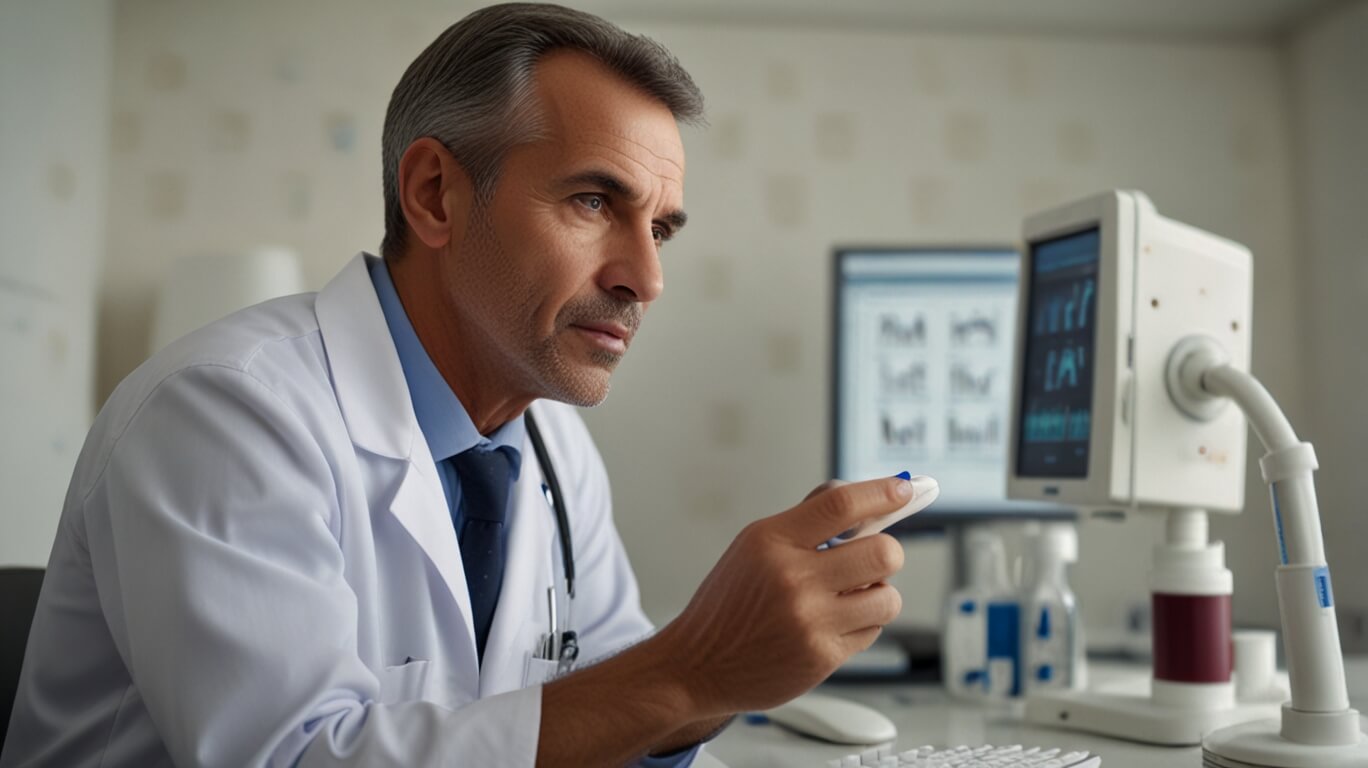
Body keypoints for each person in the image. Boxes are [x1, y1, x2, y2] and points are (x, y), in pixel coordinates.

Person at [0, 4, 910, 766]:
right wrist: (697, 670)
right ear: (435, 194)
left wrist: (734, 675)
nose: (646, 277)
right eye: (594, 202)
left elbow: (616, 711)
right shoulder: (223, 411)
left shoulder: (551, 449)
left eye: (661, 228)